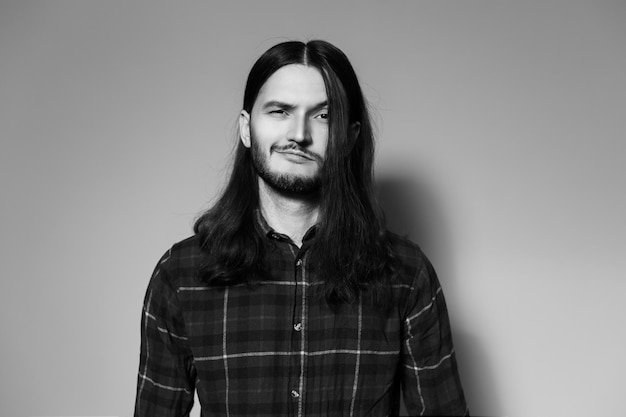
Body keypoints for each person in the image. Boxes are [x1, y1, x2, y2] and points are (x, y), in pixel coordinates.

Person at [134, 40, 469, 417]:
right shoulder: (180, 275)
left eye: (323, 116)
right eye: (279, 111)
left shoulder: (406, 275)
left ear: (350, 138)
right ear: (246, 129)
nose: (299, 134)